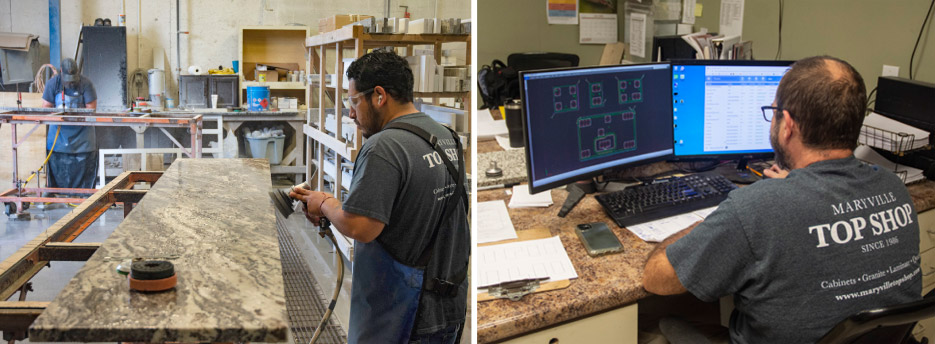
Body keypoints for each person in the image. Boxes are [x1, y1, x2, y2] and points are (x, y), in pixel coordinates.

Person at [642, 56, 922, 343]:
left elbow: (657, 278)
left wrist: (723, 219)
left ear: (787, 124)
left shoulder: (757, 208)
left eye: (773, 112)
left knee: (653, 329)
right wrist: (795, 189)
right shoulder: (893, 187)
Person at [289, 49, 469, 343]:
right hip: (448, 306)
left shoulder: (385, 147)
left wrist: (325, 203)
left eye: (353, 101)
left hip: (405, 315)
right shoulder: (446, 136)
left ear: (379, 96)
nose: (350, 112)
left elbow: (361, 227)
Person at [40, 58, 98, 190]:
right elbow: (46, 108)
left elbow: (92, 110)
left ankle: (82, 196)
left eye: (73, 78)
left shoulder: (86, 84)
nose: (71, 82)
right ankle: (57, 194)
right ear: (61, 71)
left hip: (83, 138)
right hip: (59, 137)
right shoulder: (53, 84)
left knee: (83, 179)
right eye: (68, 79)